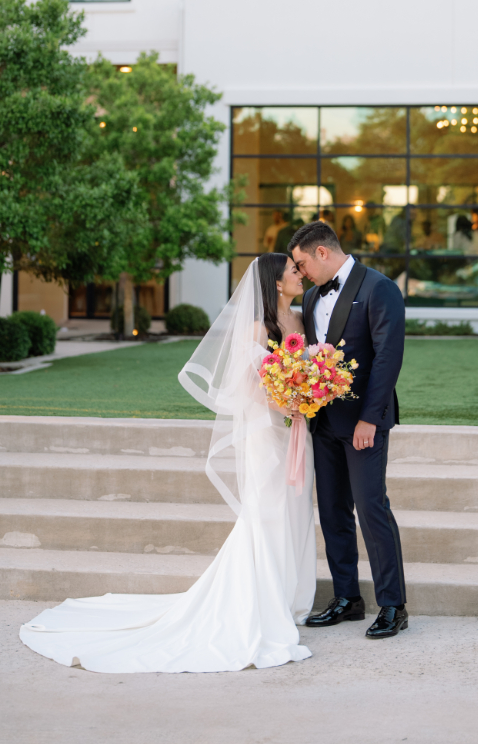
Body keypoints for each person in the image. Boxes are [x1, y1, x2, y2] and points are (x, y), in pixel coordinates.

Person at [18, 253, 316, 673]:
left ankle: (292, 596)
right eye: (292, 270)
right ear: (274, 282)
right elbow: (245, 388)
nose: (299, 274)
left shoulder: (300, 322)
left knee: (296, 507)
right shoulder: (256, 328)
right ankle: (263, 601)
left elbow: (305, 369)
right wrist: (289, 403)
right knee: (267, 512)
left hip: (295, 432)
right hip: (267, 433)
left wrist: (308, 397)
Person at [289, 220, 408, 640]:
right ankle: (347, 599)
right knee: (333, 512)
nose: (300, 273)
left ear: (322, 252)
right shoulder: (308, 297)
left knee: (372, 510)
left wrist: (369, 420)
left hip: (363, 423)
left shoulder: (379, 289)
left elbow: (387, 358)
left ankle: (393, 605)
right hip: (322, 422)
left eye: (302, 264)